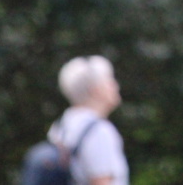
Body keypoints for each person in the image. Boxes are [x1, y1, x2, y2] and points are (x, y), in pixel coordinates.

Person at [49, 55, 130, 185]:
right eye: (109, 80)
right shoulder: (99, 131)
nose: (116, 86)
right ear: (96, 89)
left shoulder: (61, 125)